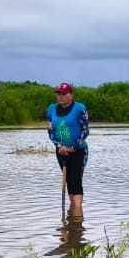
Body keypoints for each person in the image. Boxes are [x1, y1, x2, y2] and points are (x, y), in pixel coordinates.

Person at [47, 82, 89, 217]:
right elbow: (50, 131)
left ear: (71, 95)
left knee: (76, 180)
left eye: (64, 94)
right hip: (61, 151)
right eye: (58, 94)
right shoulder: (51, 109)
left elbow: (85, 131)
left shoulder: (79, 108)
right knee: (68, 181)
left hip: (78, 150)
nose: (60, 96)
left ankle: (77, 216)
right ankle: (72, 212)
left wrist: (72, 147)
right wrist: (59, 146)